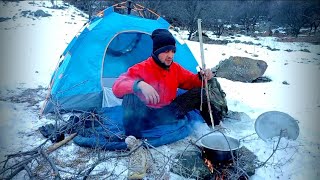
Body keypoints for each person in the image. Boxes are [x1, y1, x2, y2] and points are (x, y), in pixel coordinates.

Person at [112, 29, 222, 138]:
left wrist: (203, 77)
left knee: (200, 93)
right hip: (145, 115)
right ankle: (133, 138)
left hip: (169, 112)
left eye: (173, 51)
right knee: (130, 97)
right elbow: (117, 87)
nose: (170, 56)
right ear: (156, 51)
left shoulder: (176, 68)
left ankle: (217, 127)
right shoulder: (141, 68)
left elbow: (192, 82)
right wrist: (139, 84)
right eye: (166, 51)